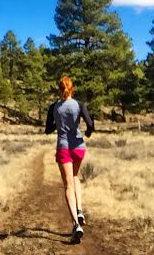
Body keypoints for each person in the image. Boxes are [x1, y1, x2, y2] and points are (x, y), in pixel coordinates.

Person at [45, 76, 95, 244]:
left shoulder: (54, 107)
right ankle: (79, 210)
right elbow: (90, 124)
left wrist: (58, 124)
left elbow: (47, 129)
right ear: (72, 89)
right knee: (75, 177)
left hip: (64, 147)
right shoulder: (79, 105)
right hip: (79, 147)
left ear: (59, 89)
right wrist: (87, 133)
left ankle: (76, 224)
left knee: (68, 185)